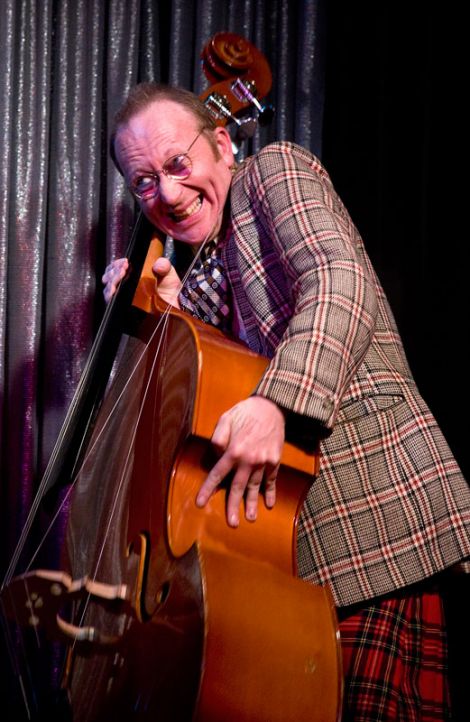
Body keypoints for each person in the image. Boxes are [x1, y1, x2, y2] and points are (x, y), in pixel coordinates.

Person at [103, 82, 470, 721]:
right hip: (300, 559)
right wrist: (159, 312)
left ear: (221, 144)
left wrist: (277, 404)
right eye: (143, 183)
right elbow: (210, 380)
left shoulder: (272, 173)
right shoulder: (206, 263)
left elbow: (340, 279)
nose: (165, 194)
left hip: (376, 519)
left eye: (177, 164)